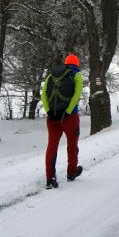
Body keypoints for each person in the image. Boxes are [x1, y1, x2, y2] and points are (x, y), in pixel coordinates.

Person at [41, 53, 84, 189]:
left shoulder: (51, 75)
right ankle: (72, 172)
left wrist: (48, 110)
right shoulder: (76, 74)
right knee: (72, 144)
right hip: (69, 117)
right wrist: (69, 110)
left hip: (52, 117)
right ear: (77, 64)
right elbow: (77, 94)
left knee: (52, 146)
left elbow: (43, 94)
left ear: (65, 63)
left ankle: (50, 178)